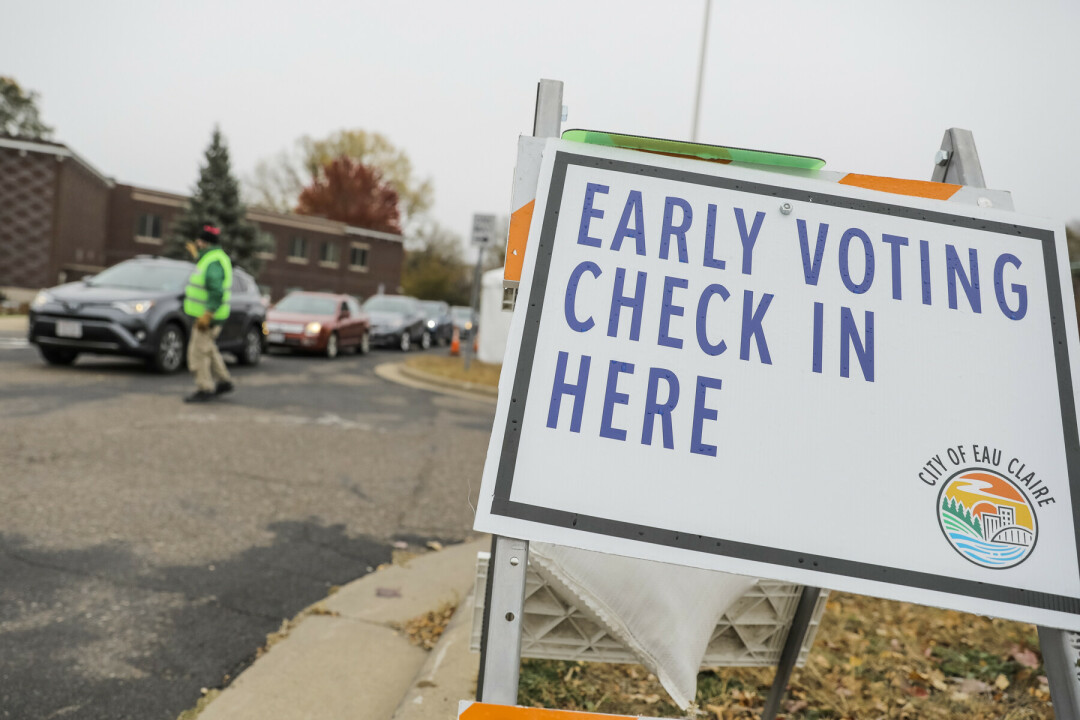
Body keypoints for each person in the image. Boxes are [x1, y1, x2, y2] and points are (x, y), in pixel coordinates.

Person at [183, 225, 234, 402]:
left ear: (206, 242)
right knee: (209, 349)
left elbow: (216, 290)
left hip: (207, 318)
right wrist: (197, 256)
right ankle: (224, 380)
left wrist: (208, 313)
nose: (197, 242)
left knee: (198, 353)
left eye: (200, 240)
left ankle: (204, 388)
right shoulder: (213, 258)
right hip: (212, 316)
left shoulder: (213, 261)